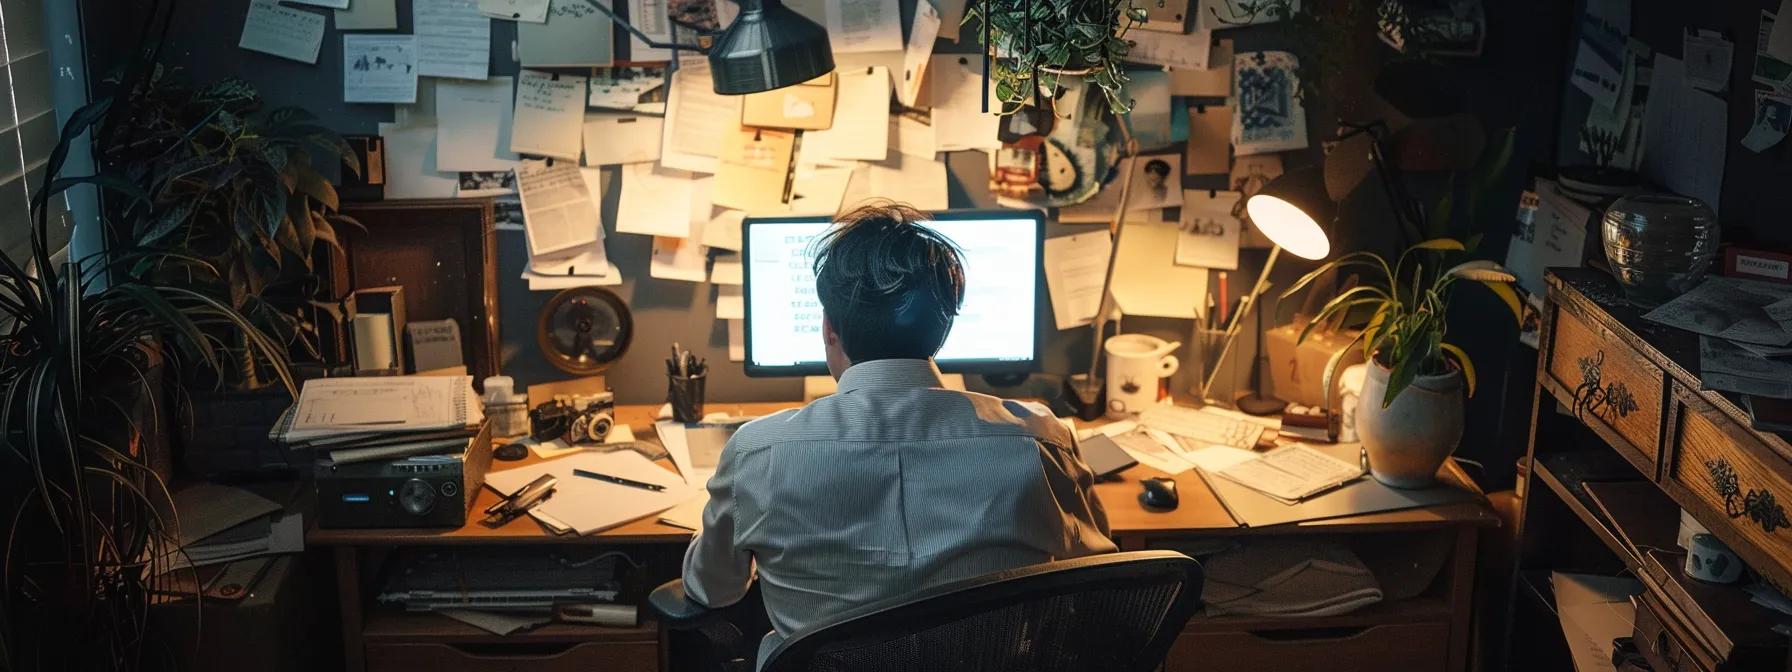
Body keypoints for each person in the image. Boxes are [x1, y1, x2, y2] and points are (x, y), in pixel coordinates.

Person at [682, 202, 1116, 668]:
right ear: (946, 327)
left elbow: (714, 589)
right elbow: (1101, 573)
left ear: (829, 329)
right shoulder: (1040, 441)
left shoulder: (757, 454)